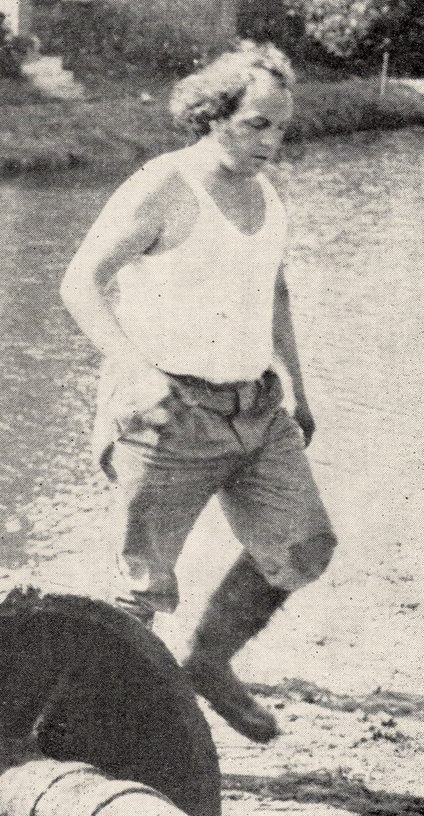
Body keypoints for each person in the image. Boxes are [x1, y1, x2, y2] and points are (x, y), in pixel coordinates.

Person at [59, 42, 336, 742]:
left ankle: (209, 661)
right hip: (168, 414)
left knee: (302, 545)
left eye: (280, 127)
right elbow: (80, 282)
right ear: (212, 115)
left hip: (256, 408)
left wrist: (297, 385)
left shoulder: (266, 193)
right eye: (257, 125)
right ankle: (102, 738)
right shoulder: (165, 185)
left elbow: (273, 289)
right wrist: (134, 368)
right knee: (140, 590)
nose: (272, 142)